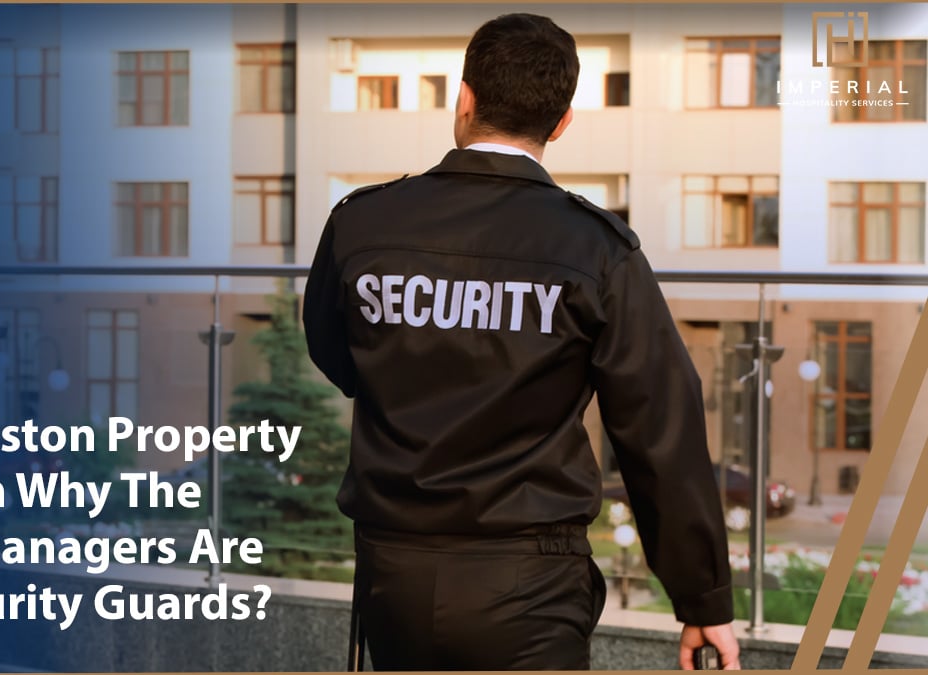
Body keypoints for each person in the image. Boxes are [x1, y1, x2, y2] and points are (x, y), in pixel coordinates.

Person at [302, 12, 742, 671]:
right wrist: (702, 601)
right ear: (562, 122)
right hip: (530, 587)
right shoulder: (597, 249)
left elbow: (335, 353)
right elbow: (660, 434)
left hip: (392, 572)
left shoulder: (360, 223)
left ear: (464, 97)